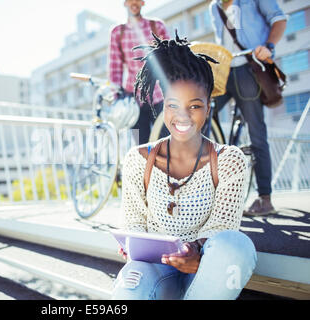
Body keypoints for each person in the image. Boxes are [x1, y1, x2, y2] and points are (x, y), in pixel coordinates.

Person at [111, 33, 257, 300]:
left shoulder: (229, 160)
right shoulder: (137, 159)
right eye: (173, 105)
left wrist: (197, 253)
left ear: (209, 107)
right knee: (128, 290)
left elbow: (222, 229)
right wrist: (132, 245)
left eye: (195, 106)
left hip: (205, 275)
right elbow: (132, 223)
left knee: (237, 246)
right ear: (164, 105)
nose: (183, 116)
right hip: (155, 271)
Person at [208, 0, 288, 216]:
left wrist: (268, 46)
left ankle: (265, 198)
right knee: (203, 111)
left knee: (256, 133)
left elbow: (279, 19)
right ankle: (214, 171)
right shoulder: (214, 7)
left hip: (249, 68)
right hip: (224, 72)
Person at [108, 0, 170, 145]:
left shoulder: (157, 26)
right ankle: (146, 168)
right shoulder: (118, 32)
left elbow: (170, 60)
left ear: (143, 3)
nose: (134, 3)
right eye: (130, 0)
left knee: (166, 143)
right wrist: (117, 97)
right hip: (134, 100)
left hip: (160, 96)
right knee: (141, 147)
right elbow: (115, 67)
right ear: (125, 3)